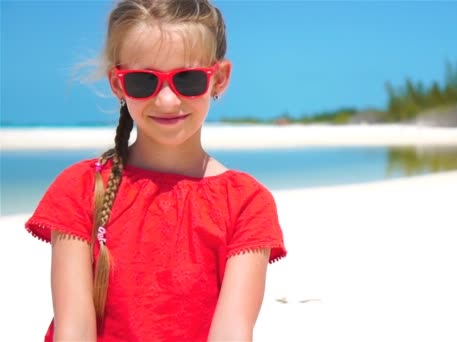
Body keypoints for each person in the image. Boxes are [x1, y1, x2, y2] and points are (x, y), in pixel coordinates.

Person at [24, 0, 287, 341]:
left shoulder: (246, 203)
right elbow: (73, 330)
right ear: (118, 84)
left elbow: (232, 333)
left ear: (219, 78)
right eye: (143, 81)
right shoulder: (81, 188)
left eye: (188, 79)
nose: (166, 100)